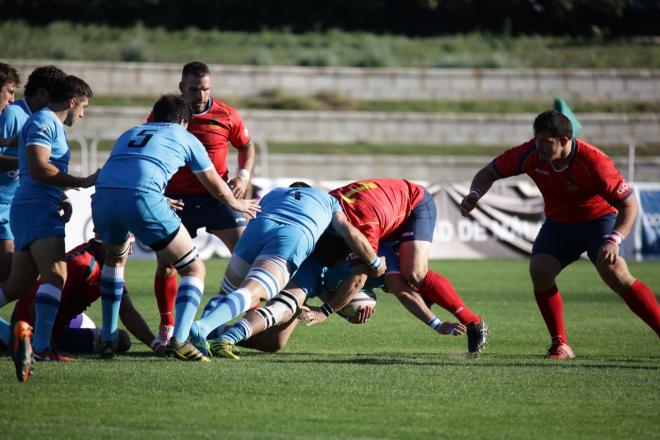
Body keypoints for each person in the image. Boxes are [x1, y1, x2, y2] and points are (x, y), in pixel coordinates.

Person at [459, 110, 660, 359]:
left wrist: (614, 239)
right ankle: (560, 344)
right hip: (560, 224)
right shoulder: (529, 153)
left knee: (615, 272)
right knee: (540, 270)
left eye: (546, 141)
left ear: (564, 141)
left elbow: (629, 205)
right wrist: (475, 194)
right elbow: (489, 172)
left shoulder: (595, 162)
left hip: (599, 221)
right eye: (537, 140)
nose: (539, 146)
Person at [91, 94, 260, 362]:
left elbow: (124, 170)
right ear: (183, 121)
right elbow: (215, 184)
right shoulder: (185, 136)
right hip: (144, 200)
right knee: (194, 268)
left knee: (114, 261)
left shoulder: (130, 132)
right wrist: (237, 204)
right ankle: (180, 340)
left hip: (103, 198)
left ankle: (108, 338)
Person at [188, 182, 386, 356]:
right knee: (262, 296)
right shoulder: (329, 202)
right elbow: (347, 231)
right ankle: (207, 330)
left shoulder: (274, 193)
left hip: (257, 231)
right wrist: (374, 264)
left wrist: (336, 306)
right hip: (295, 241)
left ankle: (199, 334)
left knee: (269, 336)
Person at [304, 178, 488, 354]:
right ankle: (425, 293)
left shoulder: (362, 227)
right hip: (381, 217)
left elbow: (363, 280)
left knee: (413, 273)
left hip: (414, 202)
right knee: (389, 281)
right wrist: (343, 310)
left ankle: (472, 322)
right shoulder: (328, 213)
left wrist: (325, 311)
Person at [211, 240, 466, 359]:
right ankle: (221, 334)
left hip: (315, 283)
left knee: (274, 343)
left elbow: (344, 289)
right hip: (304, 269)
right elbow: (402, 294)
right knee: (283, 309)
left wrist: (342, 308)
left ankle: (215, 331)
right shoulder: (393, 268)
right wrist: (438, 325)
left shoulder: (389, 279)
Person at [150, 61, 256, 347]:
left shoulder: (225, 114)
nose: (200, 95)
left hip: (218, 197)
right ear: (181, 87)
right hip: (177, 201)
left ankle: (250, 322)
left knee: (249, 257)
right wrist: (158, 194)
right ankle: (167, 326)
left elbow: (246, 145)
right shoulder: (165, 116)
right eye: (194, 89)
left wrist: (243, 177)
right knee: (167, 267)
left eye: (205, 89)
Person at [0, 74, 96, 382]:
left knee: (17, 285)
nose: (83, 115)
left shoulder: (44, 122)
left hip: (34, 205)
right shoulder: (44, 121)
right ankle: (42, 347)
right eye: (83, 107)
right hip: (36, 208)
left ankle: (36, 344)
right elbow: (40, 167)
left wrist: (63, 194)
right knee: (57, 274)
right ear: (72, 101)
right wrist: (80, 182)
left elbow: (39, 169)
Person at [1, 236, 162, 358]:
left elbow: (126, 311)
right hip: (33, 324)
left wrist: (156, 345)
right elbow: (35, 303)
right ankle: (23, 340)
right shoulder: (82, 265)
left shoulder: (111, 264)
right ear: (107, 244)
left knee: (120, 339)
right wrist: (47, 345)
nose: (132, 251)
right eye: (129, 245)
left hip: (62, 320)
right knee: (121, 340)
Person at [0, 65, 67, 282]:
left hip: (17, 208)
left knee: (20, 280)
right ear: (43, 93)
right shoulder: (13, 114)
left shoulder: (43, 120)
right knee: (9, 275)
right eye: (56, 95)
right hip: (3, 207)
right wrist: (30, 163)